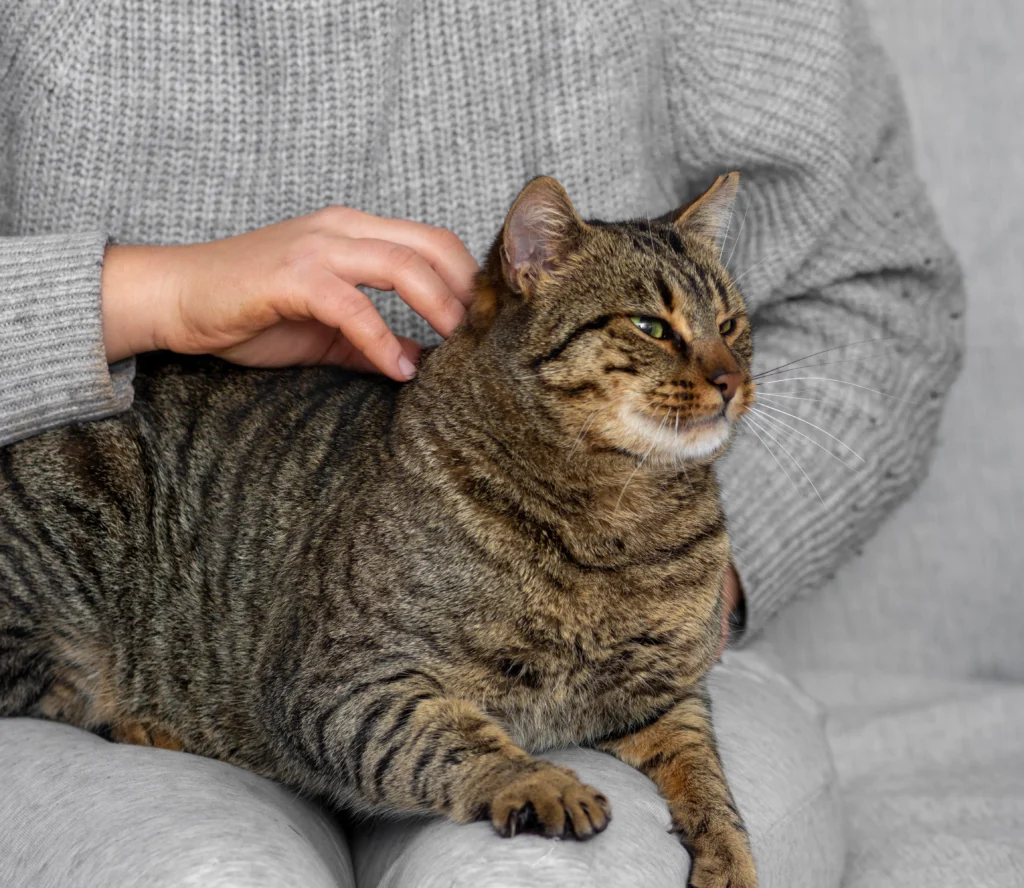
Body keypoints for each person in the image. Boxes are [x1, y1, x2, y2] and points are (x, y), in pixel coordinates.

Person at [0, 1, 962, 886]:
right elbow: (328, 694)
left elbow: (880, 289)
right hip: (138, 632)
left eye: (724, 337)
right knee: (206, 874)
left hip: (643, 615)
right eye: (661, 334)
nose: (718, 373)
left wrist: (697, 596)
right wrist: (139, 299)